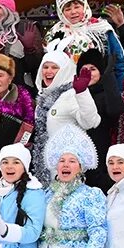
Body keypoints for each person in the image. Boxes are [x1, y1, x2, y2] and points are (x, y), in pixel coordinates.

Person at [30, 51, 101, 183]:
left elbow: (91, 122)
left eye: (54, 67)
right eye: (45, 67)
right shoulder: (42, 99)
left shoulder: (70, 94)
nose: (48, 71)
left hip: (68, 169)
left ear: (64, 71)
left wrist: (82, 93)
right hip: (45, 167)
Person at [45, 0, 124, 92]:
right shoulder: (55, 33)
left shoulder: (101, 28)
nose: (73, 12)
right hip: (66, 91)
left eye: (77, 7)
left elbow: (119, 62)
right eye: (67, 9)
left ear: (84, 7)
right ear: (61, 13)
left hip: (100, 90)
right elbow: (47, 65)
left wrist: (119, 91)